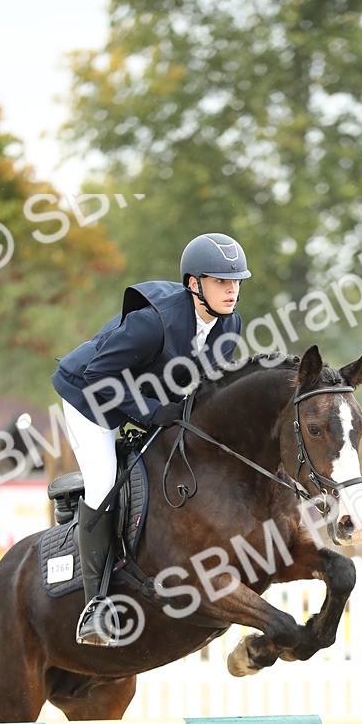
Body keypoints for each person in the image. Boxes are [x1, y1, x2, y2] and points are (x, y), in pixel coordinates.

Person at [51, 232, 251, 646]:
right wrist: (150, 412)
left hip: (144, 395)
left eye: (236, 282)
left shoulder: (230, 323)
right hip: (89, 397)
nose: (231, 291)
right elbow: (97, 377)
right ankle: (96, 606)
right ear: (194, 284)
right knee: (106, 480)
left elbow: (210, 385)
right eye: (220, 281)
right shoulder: (152, 321)